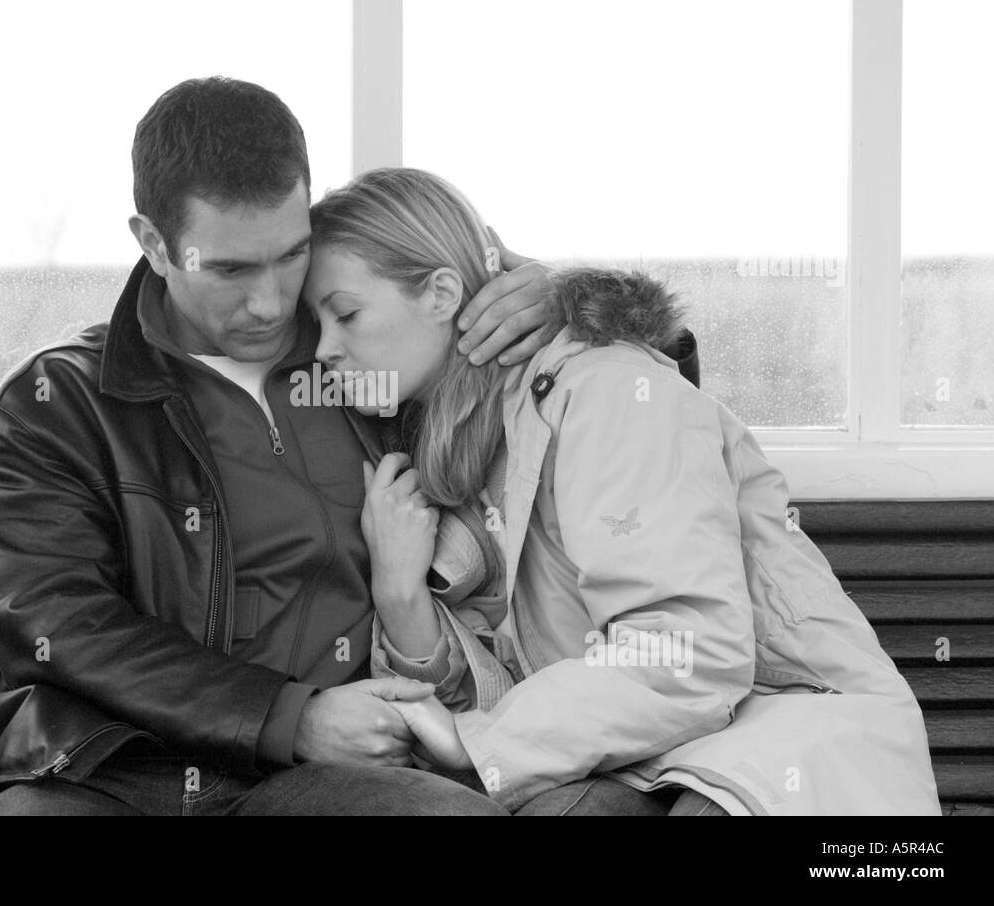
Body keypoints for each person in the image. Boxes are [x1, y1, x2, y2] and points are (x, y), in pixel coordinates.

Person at [0, 77, 699, 815]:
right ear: (154, 243)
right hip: (114, 771)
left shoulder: (368, 360)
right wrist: (290, 716)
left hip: (324, 783)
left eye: (290, 255)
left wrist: (566, 302)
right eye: (229, 269)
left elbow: (625, 412)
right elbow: (64, 625)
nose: (271, 301)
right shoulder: (55, 404)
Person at [304, 166, 942, 815]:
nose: (323, 350)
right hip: (639, 757)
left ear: (441, 293)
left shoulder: (604, 389)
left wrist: (479, 744)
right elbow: (477, 727)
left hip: (777, 741)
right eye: (314, 325)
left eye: (346, 314)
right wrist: (399, 593)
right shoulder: (437, 451)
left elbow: (688, 653)